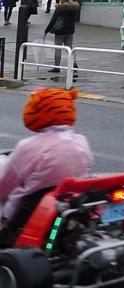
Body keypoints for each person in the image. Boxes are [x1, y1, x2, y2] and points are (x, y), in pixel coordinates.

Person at [0, 88, 92, 240]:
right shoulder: (81, 141)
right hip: (71, 205)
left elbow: (4, 186)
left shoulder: (30, 147)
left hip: (26, 215)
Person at [44, 0, 80, 74]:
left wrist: (47, 30)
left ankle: (57, 67)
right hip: (70, 31)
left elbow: (53, 20)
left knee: (58, 50)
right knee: (70, 49)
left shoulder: (59, 8)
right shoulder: (73, 8)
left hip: (60, 31)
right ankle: (74, 64)